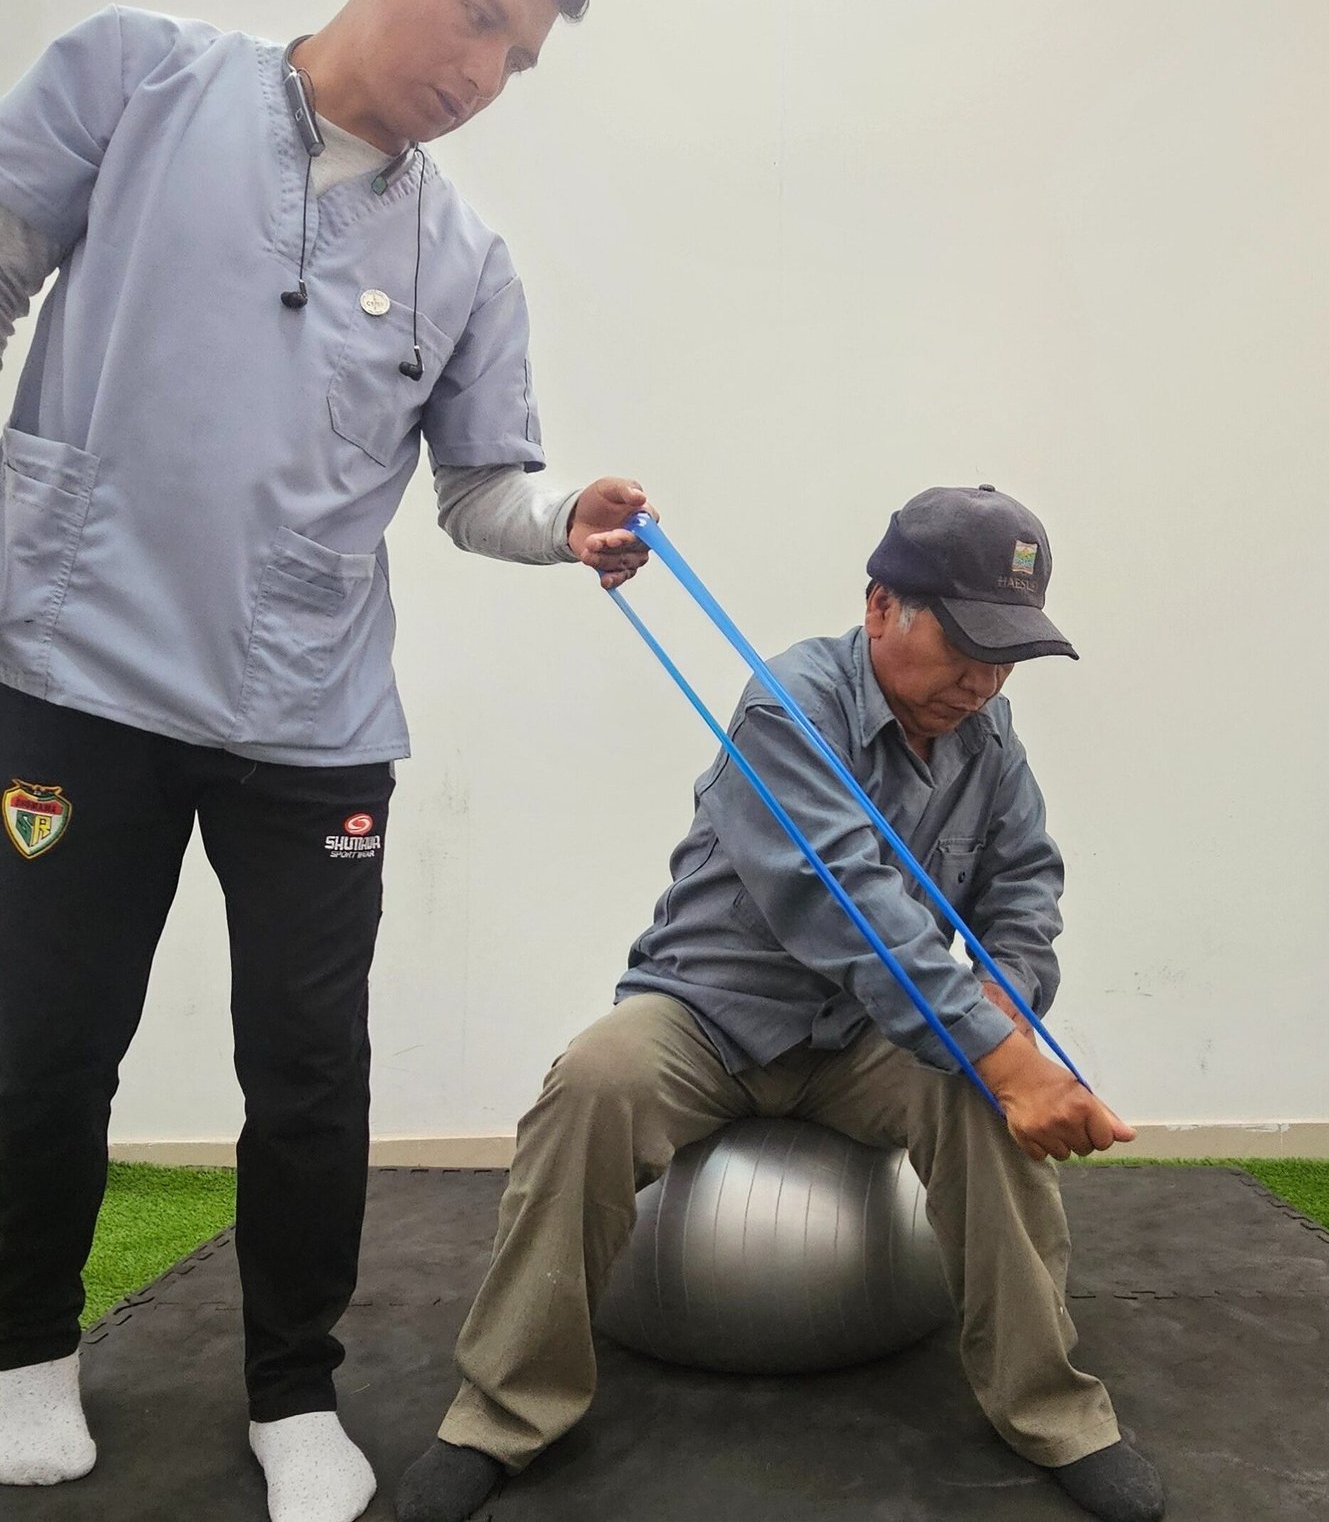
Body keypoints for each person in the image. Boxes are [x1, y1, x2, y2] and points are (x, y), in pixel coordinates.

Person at [0, 0, 653, 1519]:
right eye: (476, 17)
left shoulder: (464, 260)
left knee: (308, 1071)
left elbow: (479, 491)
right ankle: (23, 1350)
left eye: (517, 59)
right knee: (44, 1038)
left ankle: (293, 1391)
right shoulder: (135, 79)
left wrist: (563, 518)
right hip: (75, 669)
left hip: (310, 714)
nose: (482, 75)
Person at [398, 486, 1166, 1522]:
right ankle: (500, 1415)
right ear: (881, 605)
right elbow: (846, 902)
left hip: (864, 1036)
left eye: (1007, 656)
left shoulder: (988, 737)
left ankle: (1055, 1412)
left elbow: (1024, 884)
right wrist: (998, 1051)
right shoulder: (786, 705)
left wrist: (1006, 999)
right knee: (591, 1083)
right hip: (709, 1015)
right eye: (966, 646)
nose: (984, 682)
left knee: (986, 1102)